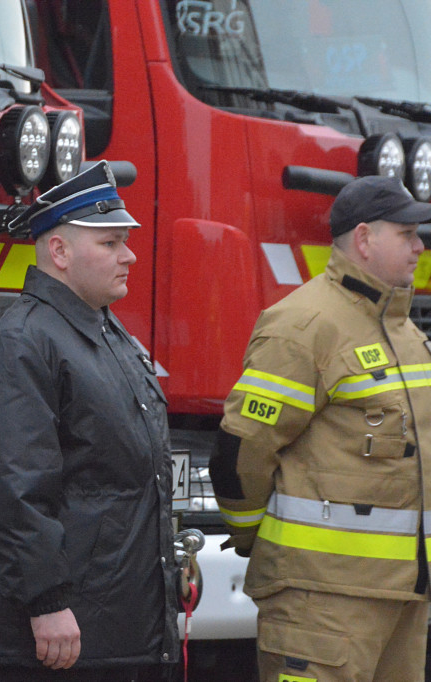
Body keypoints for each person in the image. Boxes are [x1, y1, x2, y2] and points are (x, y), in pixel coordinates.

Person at [0, 161, 180, 682]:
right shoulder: (22, 342)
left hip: (117, 633)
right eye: (108, 244)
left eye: (123, 242)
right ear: (58, 252)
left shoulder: (105, 332)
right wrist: (46, 602)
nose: (128, 255)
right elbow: (11, 489)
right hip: (63, 641)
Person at [210, 174, 431, 681]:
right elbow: (241, 449)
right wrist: (250, 537)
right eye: (407, 233)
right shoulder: (305, 325)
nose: (420, 246)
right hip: (321, 602)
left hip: (401, 599)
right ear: (364, 238)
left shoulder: (403, 329)